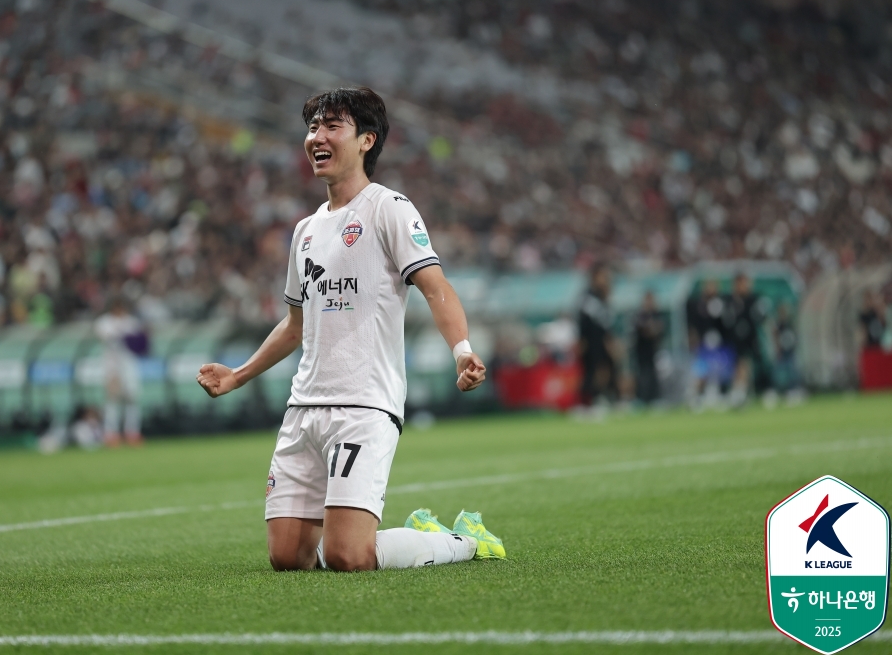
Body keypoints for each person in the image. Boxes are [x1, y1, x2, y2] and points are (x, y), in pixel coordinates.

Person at [196, 87, 503, 572]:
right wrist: (238, 375)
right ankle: (380, 536)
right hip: (304, 407)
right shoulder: (305, 230)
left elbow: (435, 286)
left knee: (348, 556)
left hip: (364, 405)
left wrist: (462, 350)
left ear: (366, 140)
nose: (317, 137)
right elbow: (296, 325)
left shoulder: (389, 208)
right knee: (288, 557)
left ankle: (459, 540)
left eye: (332, 126)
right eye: (312, 127)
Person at [94, 298, 145, 447]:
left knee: (132, 399)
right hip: (112, 365)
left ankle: (132, 433)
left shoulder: (132, 322)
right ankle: (111, 434)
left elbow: (140, 342)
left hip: (129, 365)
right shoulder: (104, 322)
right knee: (112, 400)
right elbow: (106, 336)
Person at [686, 279, 733, 406]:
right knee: (701, 371)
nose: (711, 289)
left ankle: (722, 393)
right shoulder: (697, 304)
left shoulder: (722, 302)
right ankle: (696, 396)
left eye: (713, 286)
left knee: (721, 370)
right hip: (703, 345)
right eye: (708, 286)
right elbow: (694, 325)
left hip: (720, 346)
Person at [577, 262, 618, 405]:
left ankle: (604, 396)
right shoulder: (587, 298)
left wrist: (610, 339)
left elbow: (607, 322)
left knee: (606, 369)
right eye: (603, 276)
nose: (606, 279)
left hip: (602, 340)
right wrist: (582, 340)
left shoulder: (603, 296)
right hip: (591, 340)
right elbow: (584, 322)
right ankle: (587, 401)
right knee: (593, 370)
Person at [724, 273, 765, 406]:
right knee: (739, 366)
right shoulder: (729, 301)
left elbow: (761, 318)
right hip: (735, 340)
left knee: (746, 365)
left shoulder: (753, 300)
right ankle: (739, 392)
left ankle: (743, 392)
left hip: (750, 339)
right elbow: (726, 321)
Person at [632, 291, 663, 405]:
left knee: (654, 375)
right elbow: (645, 330)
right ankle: (643, 399)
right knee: (643, 376)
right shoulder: (640, 315)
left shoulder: (656, 314)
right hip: (642, 352)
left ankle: (654, 398)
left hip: (653, 352)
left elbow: (659, 329)